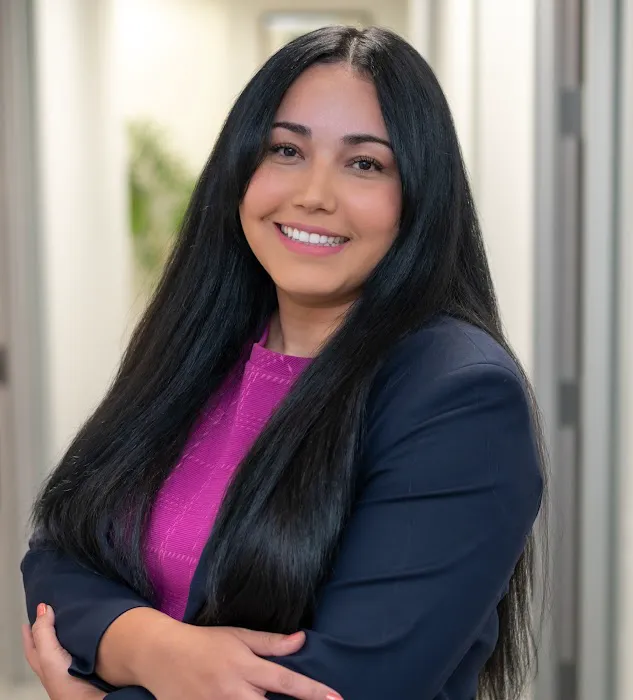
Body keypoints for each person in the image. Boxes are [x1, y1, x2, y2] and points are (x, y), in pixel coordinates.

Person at [21, 25, 545, 700]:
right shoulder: (200, 347)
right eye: (286, 150)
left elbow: (345, 687)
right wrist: (151, 647)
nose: (313, 194)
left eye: (365, 164)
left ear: (420, 194)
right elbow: (60, 554)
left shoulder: (460, 398)